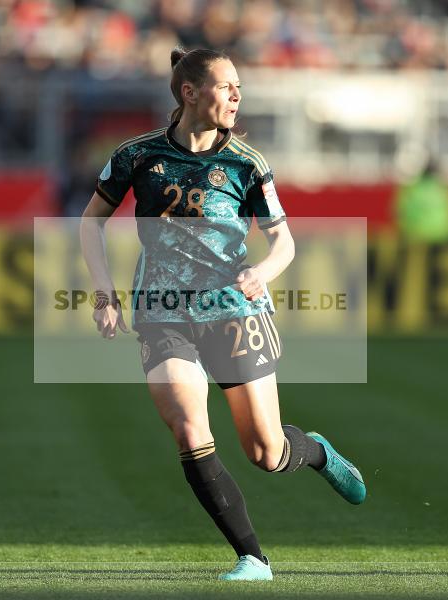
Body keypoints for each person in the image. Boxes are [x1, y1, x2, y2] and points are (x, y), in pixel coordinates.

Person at [79, 46, 365, 582]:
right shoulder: (137, 156)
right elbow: (90, 222)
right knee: (189, 429)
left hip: (233, 308)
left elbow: (284, 243)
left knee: (266, 450)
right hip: (162, 311)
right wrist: (103, 293)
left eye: (239, 86)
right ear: (190, 92)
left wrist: (263, 272)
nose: (237, 95)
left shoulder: (246, 164)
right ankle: (252, 558)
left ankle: (316, 453)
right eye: (226, 85)